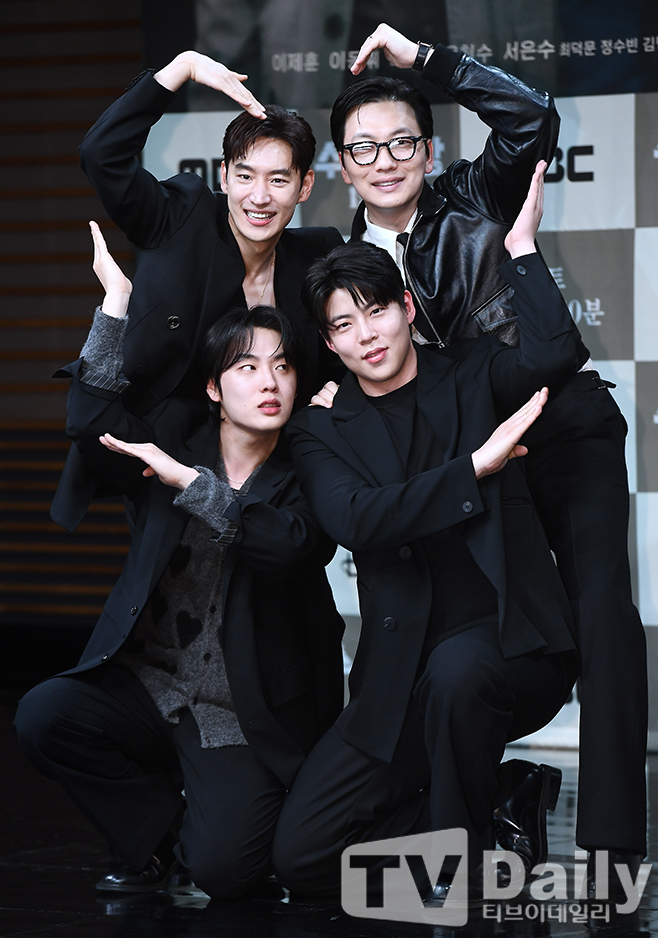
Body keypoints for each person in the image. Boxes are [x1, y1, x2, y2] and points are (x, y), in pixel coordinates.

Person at [324, 23, 648, 891]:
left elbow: (532, 119)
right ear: (342, 166)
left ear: (428, 152)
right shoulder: (344, 263)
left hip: (559, 425)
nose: (385, 160)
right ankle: (490, 800)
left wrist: (423, 59)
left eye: (402, 142)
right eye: (364, 148)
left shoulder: (472, 194)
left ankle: (612, 843)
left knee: (600, 610)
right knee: (466, 638)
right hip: (476, 462)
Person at [272, 164, 579, 901]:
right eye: (343, 325)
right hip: (397, 680)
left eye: (376, 311)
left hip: (506, 644)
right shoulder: (320, 429)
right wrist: (476, 467)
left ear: (407, 307)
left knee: (458, 674)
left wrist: (522, 250)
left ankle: (463, 868)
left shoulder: (473, 373)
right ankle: (499, 804)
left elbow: (556, 357)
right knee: (303, 858)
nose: (366, 335)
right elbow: (356, 519)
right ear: (330, 343)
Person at [15, 224, 345, 899]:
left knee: (226, 872)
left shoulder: (310, 464)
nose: (270, 381)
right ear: (214, 389)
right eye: (247, 367)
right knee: (45, 714)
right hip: (149, 683)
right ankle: (156, 837)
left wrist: (193, 486)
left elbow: (295, 544)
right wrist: (115, 305)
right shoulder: (174, 439)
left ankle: (214, 822)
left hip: (241, 707)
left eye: (283, 366)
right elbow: (90, 422)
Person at [51, 50, 344, 532]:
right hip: (162, 456)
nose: (259, 197)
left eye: (278, 180)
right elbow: (100, 154)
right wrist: (180, 70)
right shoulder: (180, 217)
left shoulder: (318, 253)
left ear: (305, 185)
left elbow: (340, 351)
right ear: (223, 176)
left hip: (275, 469)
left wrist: (338, 392)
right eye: (245, 176)